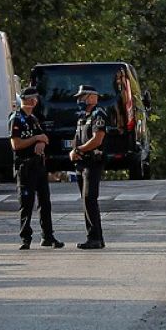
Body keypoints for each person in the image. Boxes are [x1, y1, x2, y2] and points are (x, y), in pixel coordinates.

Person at [10, 86, 63, 251]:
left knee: (45, 202)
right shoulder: (16, 119)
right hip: (25, 165)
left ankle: (48, 235)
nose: (36, 101)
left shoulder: (33, 118)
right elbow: (16, 144)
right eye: (34, 98)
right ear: (29, 100)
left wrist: (40, 141)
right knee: (26, 203)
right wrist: (36, 139)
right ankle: (25, 237)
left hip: (39, 165)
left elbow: (45, 138)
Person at [69, 85, 108, 249]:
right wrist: (74, 150)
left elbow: (97, 139)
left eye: (83, 96)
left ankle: (95, 238)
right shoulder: (83, 116)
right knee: (86, 201)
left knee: (89, 198)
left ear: (93, 97)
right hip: (81, 162)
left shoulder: (99, 114)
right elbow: (77, 137)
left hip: (93, 161)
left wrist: (80, 150)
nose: (80, 100)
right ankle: (95, 236)